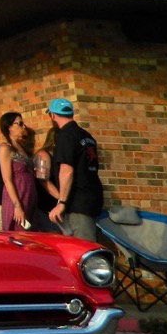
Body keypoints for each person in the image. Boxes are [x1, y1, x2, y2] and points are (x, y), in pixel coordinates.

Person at [46, 97, 104, 242]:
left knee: (84, 249)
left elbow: (67, 171)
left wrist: (61, 203)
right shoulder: (86, 135)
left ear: (52, 115)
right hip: (93, 197)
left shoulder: (65, 136)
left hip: (78, 202)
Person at [0, 112, 37, 232]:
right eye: (19, 124)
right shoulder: (5, 148)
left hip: (29, 194)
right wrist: (17, 206)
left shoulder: (22, 148)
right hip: (17, 195)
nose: (23, 127)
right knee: (18, 233)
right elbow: (7, 179)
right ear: (9, 127)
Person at [31, 126, 63, 232]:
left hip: (57, 205)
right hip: (45, 205)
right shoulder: (43, 155)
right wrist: (61, 198)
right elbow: (43, 180)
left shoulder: (60, 157)